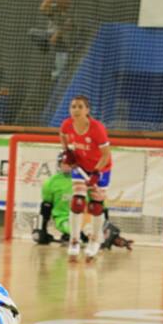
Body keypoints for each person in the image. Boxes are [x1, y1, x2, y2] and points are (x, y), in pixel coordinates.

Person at [34, 156, 133, 251]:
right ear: (59, 164)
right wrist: (41, 229)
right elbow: (46, 207)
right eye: (63, 163)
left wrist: (106, 228)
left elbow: (100, 205)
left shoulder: (86, 179)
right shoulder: (51, 182)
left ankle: (90, 237)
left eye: (69, 163)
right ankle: (80, 236)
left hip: (86, 217)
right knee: (80, 229)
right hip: (63, 218)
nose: (66, 165)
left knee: (103, 231)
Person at [59, 95, 112, 262]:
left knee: (96, 206)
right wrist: (67, 152)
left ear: (87, 110)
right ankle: (74, 241)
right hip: (80, 167)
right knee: (77, 202)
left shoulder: (97, 128)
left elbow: (106, 155)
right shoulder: (67, 124)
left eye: (80, 107)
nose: (76, 110)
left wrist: (96, 172)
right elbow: (63, 137)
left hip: (101, 167)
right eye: (73, 106)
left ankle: (95, 240)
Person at [29, 0, 72, 80]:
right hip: (50, 35)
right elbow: (42, 8)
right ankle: (46, 46)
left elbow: (68, 26)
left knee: (60, 71)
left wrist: (57, 34)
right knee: (32, 32)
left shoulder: (71, 12)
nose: (59, 1)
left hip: (64, 40)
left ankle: (59, 72)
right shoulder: (55, 8)